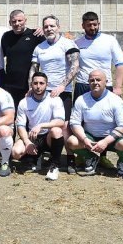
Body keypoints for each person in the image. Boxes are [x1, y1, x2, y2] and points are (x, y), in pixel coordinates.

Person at [29, 15, 81, 171]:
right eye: (46, 26)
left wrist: (62, 86)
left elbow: (75, 66)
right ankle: (48, 155)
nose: (49, 29)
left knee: (64, 126)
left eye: (52, 26)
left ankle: (70, 158)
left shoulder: (67, 43)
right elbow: (33, 69)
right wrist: (31, 87)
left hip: (62, 91)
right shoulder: (40, 47)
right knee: (46, 125)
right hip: (43, 92)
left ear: (58, 27)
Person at [66, 70, 123, 177]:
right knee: (72, 141)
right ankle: (91, 157)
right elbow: (75, 123)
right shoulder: (81, 100)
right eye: (92, 80)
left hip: (112, 138)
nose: (95, 82)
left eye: (98, 80)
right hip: (91, 138)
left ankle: (122, 161)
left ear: (106, 82)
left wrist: (106, 142)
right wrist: (84, 139)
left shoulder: (115, 100)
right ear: (88, 82)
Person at [11, 72, 65, 181]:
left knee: (56, 131)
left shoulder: (55, 99)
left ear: (47, 85)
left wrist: (41, 125)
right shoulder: (24, 102)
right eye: (35, 83)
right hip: (33, 136)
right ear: (31, 84)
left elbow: (60, 121)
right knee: (16, 152)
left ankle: (54, 166)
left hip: (48, 136)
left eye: (41, 83)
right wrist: (27, 142)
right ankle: (35, 158)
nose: (38, 86)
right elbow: (20, 125)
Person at [74, 11, 123, 98]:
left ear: (99, 24)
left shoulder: (110, 40)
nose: (92, 27)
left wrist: (118, 87)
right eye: (89, 25)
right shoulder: (77, 43)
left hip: (104, 85)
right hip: (83, 85)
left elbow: (120, 64)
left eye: (95, 24)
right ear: (83, 26)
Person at [1, 9, 44, 109]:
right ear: (10, 23)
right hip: (10, 85)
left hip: (29, 85)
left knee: (30, 113)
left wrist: (44, 31)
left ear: (25, 20)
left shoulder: (35, 35)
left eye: (20, 20)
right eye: (14, 21)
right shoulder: (6, 37)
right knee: (13, 113)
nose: (17, 24)